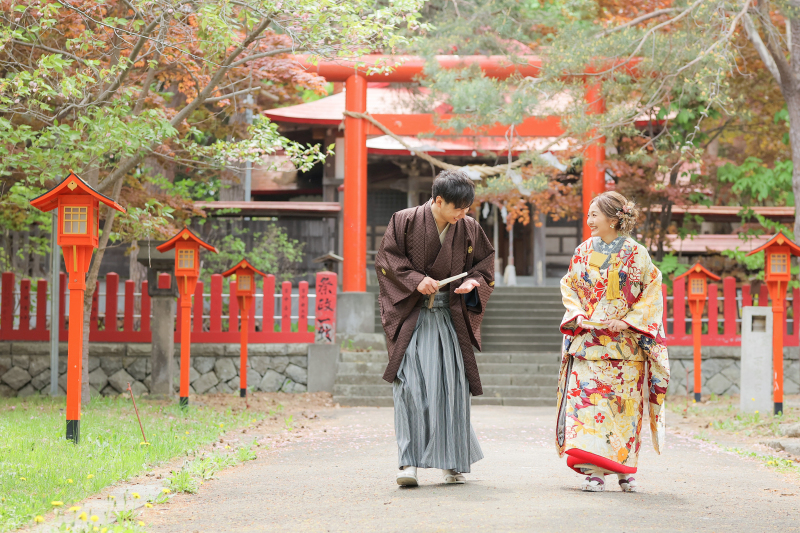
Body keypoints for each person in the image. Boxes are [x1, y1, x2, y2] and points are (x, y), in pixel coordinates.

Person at [375, 169, 495, 487]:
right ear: (438, 200)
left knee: (453, 389)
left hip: (449, 318)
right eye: (457, 208)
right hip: (413, 318)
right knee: (409, 386)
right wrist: (416, 280)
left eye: (467, 208)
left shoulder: (468, 227)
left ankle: (452, 461)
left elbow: (485, 266)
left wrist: (472, 283)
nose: (462, 214)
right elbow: (386, 260)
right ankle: (408, 463)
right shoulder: (404, 220)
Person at [555, 191, 670, 492]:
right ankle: (594, 470)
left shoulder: (638, 254)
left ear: (614, 218)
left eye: (594, 214)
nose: (589, 220)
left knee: (624, 411)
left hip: (625, 347)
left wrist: (628, 320)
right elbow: (570, 287)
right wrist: (578, 313)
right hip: (590, 343)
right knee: (590, 408)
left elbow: (652, 292)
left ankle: (623, 471)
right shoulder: (582, 252)